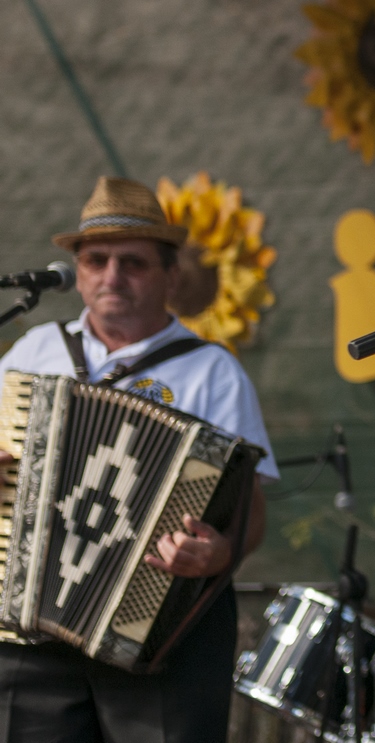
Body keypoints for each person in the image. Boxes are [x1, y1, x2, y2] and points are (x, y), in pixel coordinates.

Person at [0, 176, 279, 743]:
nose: (111, 276)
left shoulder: (210, 370)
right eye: (95, 260)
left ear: (171, 276)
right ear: (77, 272)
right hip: (30, 629)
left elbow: (250, 509)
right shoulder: (34, 351)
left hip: (159, 634)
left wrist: (219, 552)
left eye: (133, 263)